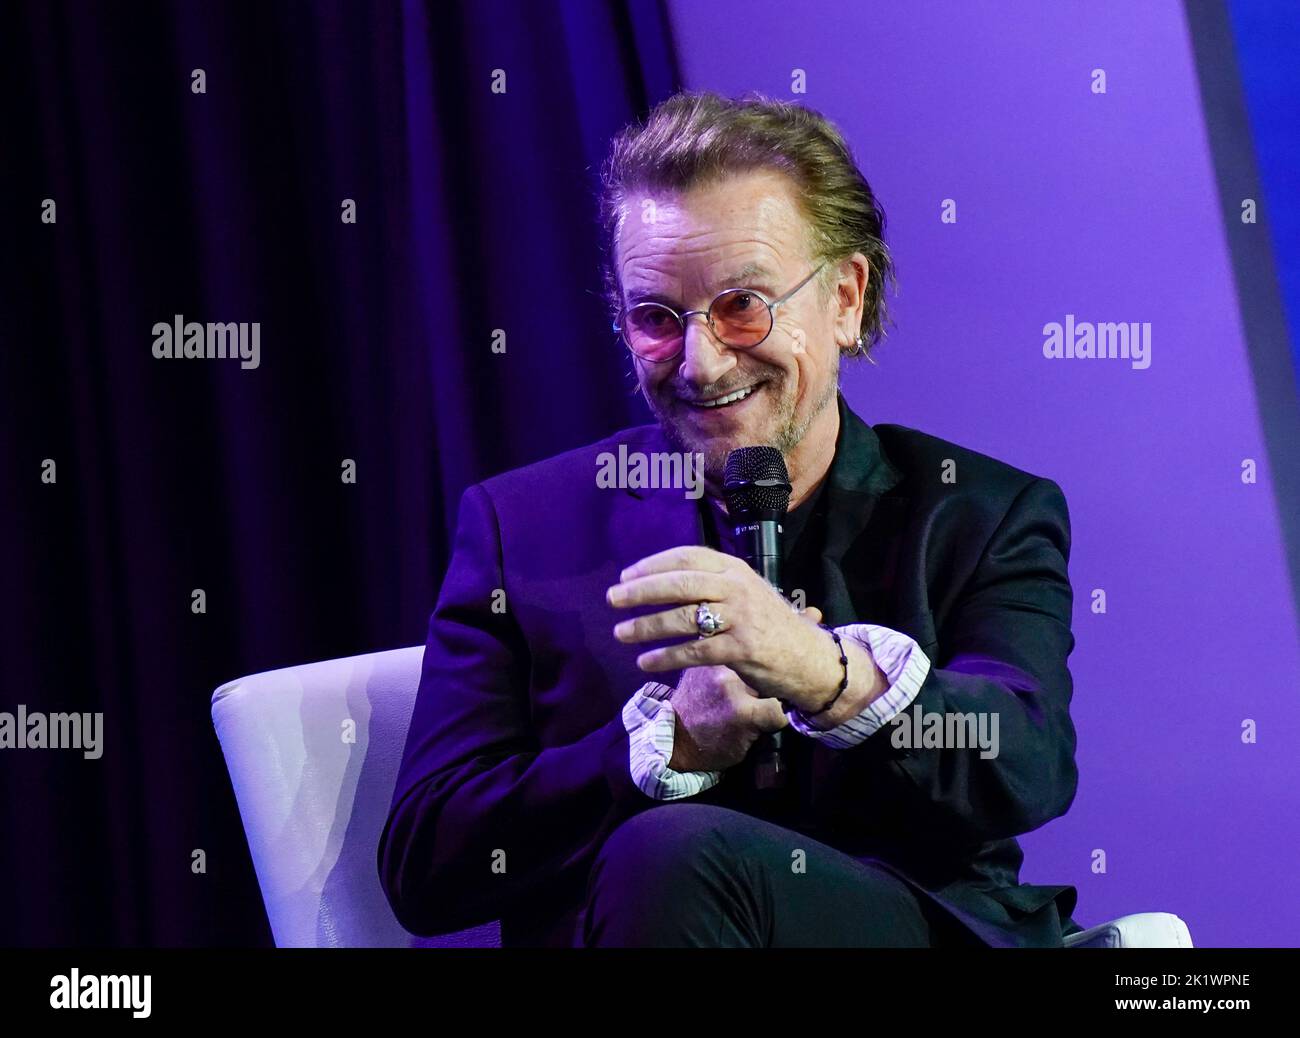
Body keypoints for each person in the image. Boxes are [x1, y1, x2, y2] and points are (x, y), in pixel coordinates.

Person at [378, 91, 1082, 947]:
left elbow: (1027, 763)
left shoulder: (980, 512)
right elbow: (428, 863)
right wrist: (666, 745)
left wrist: (826, 676)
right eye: (656, 319)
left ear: (847, 300)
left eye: (743, 305)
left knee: (679, 856)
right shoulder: (523, 528)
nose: (701, 363)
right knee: (664, 854)